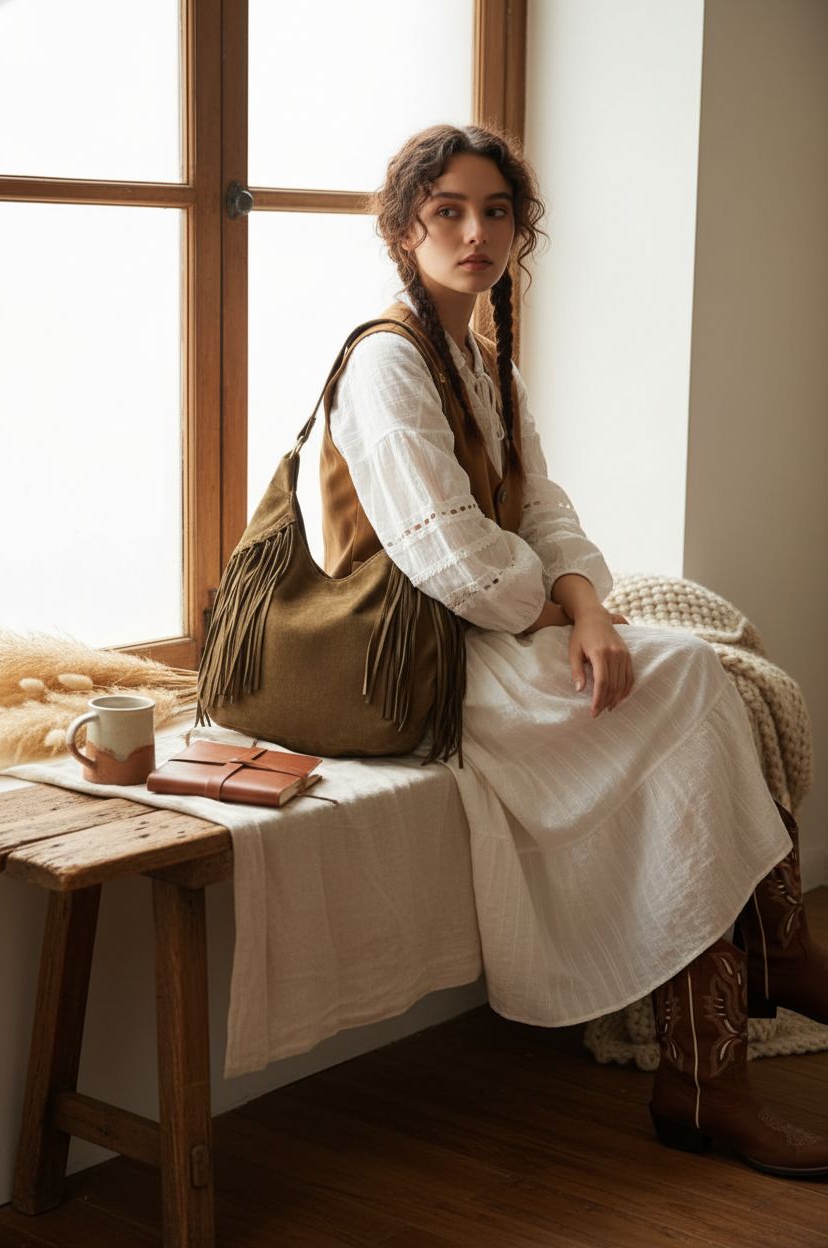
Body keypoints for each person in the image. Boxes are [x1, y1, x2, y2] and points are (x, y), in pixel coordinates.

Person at [321, 123, 828, 1176]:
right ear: (403, 228)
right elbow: (447, 555)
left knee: (687, 677)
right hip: (415, 654)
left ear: (520, 228)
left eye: (495, 211)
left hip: (499, 628)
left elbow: (542, 506)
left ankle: (716, 1060)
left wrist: (591, 607)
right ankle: (759, 988)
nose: (475, 232)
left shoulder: (478, 354)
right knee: (686, 684)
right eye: (448, 211)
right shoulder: (384, 362)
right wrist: (567, 613)